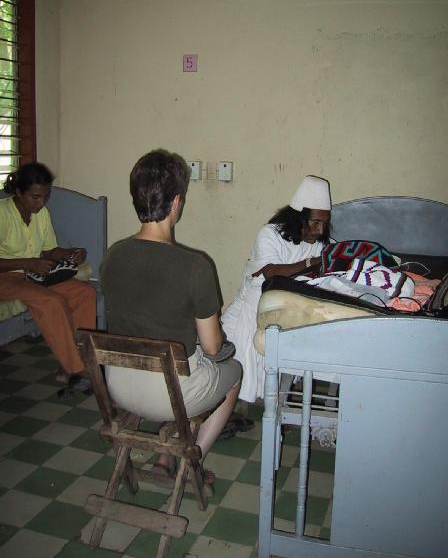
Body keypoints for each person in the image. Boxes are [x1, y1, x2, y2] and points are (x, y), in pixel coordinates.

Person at [101, 149, 241, 484]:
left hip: (118, 384)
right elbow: (211, 346)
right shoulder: (195, 266)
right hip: (170, 394)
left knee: (186, 377)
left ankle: (167, 456)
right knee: (232, 373)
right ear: (176, 203)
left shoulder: (112, 256)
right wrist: (224, 348)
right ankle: (192, 464)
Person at [221, 175, 331, 403]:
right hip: (255, 302)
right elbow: (271, 272)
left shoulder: (320, 244)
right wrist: (311, 263)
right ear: (299, 217)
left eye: (324, 223)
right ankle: (232, 408)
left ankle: (273, 405)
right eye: (315, 222)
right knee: (235, 355)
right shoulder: (269, 234)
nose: (320, 230)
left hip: (289, 306)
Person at [0, 162, 96, 392]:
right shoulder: (2, 214)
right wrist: (28, 263)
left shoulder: (41, 214)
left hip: (33, 276)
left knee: (85, 293)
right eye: (35, 197)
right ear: (19, 192)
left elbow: (50, 250)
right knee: (52, 301)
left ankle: (78, 361)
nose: (41, 202)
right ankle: (77, 370)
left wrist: (72, 254)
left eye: (45, 196)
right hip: (6, 278)